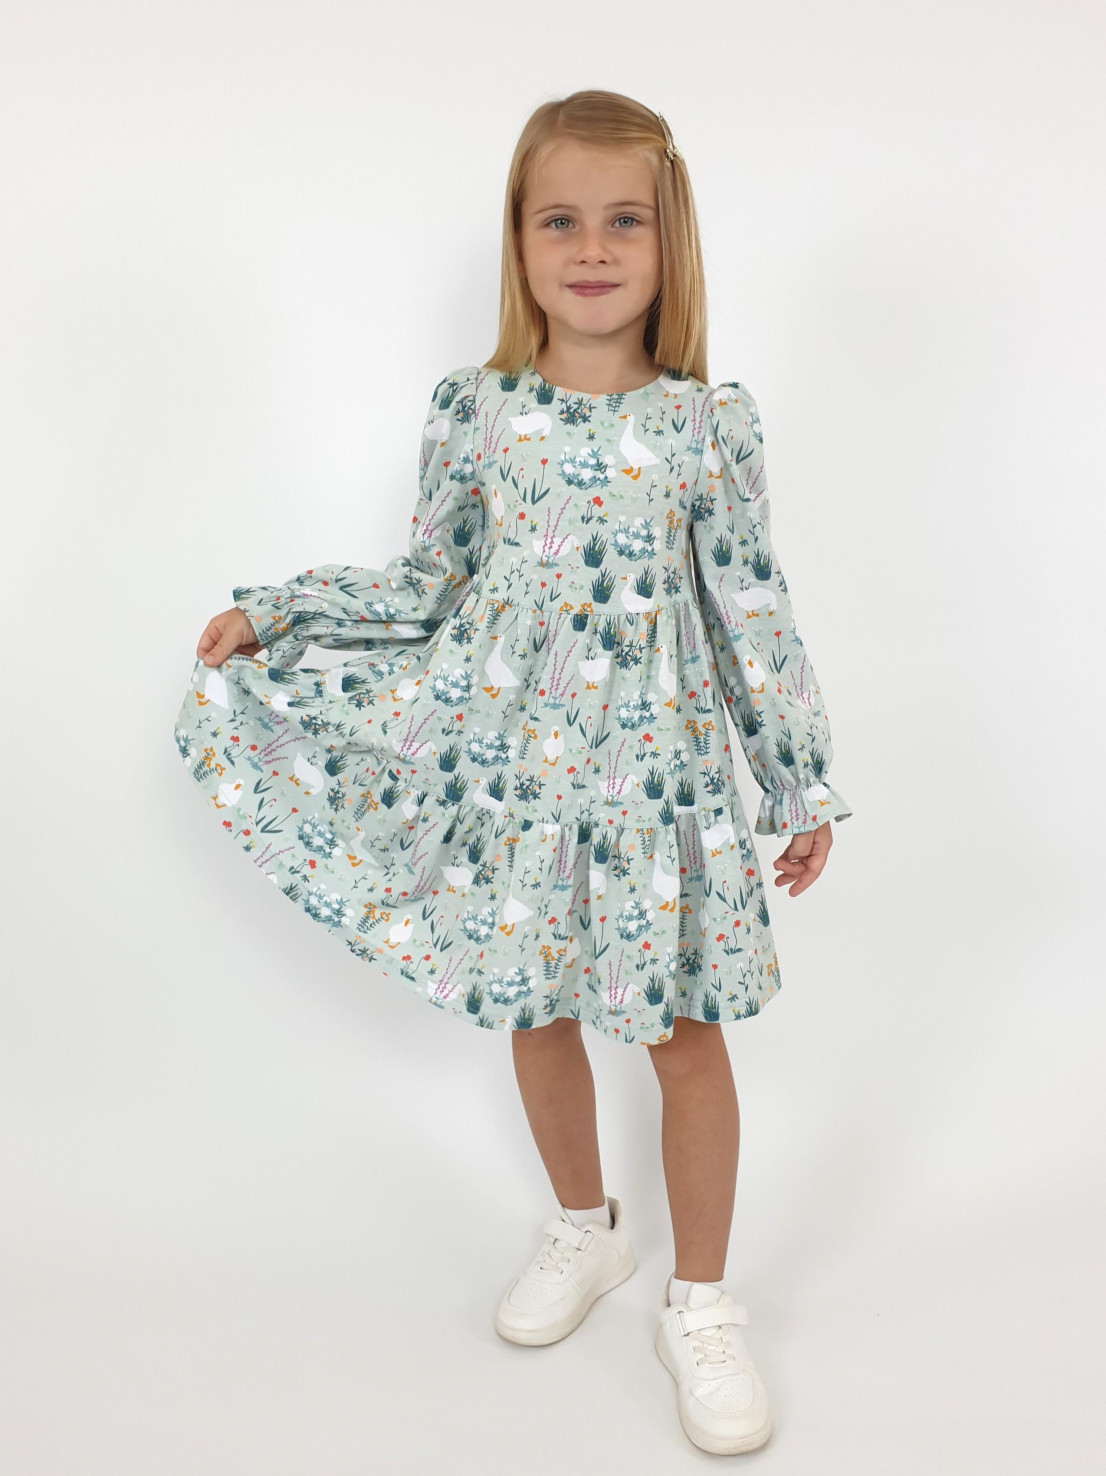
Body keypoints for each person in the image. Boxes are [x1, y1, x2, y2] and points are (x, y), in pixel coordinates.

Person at [172, 91, 852, 1456]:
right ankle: (583, 1227)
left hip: (657, 791)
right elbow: (430, 581)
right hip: (514, 784)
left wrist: (796, 781)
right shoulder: (476, 412)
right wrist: (284, 612)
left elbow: (748, 611)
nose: (591, 248)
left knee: (682, 1037)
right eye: (560, 220)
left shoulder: (705, 425)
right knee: (533, 1011)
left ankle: (701, 1303)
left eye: (624, 221)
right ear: (519, 239)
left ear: (669, 244)